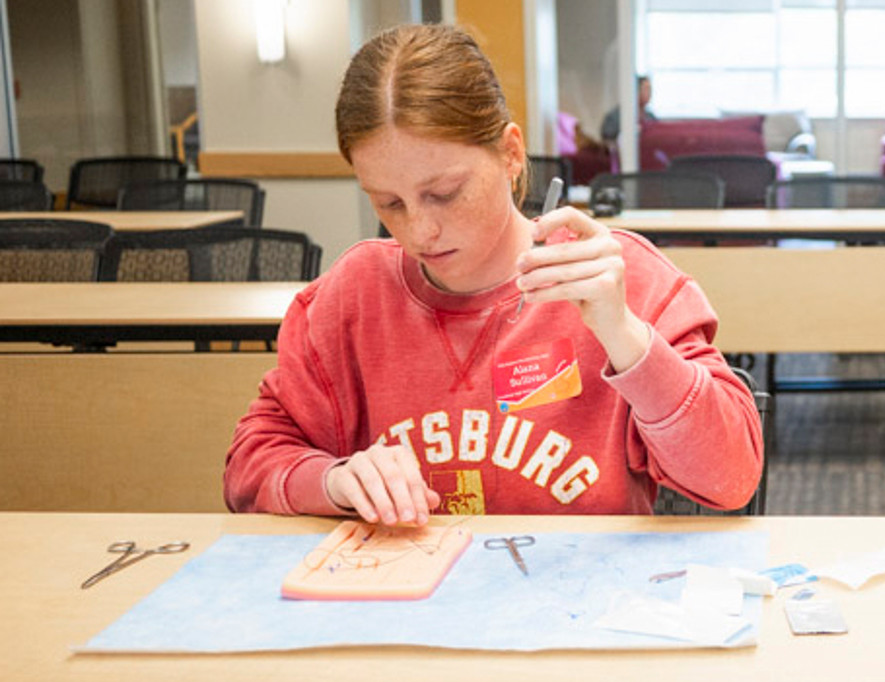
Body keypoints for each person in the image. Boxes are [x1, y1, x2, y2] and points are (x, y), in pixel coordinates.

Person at [225, 25, 761, 523]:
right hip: (405, 610)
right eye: (388, 203)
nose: (419, 232)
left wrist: (625, 336)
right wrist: (333, 481)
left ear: (510, 153)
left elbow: (731, 479)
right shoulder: (354, 296)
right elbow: (250, 465)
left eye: (444, 193)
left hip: (579, 610)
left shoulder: (616, 278)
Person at [599, 75, 654, 144]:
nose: (650, 93)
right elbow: (607, 139)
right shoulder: (615, 116)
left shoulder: (651, 116)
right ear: (635, 91)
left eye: (650, 89)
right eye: (646, 89)